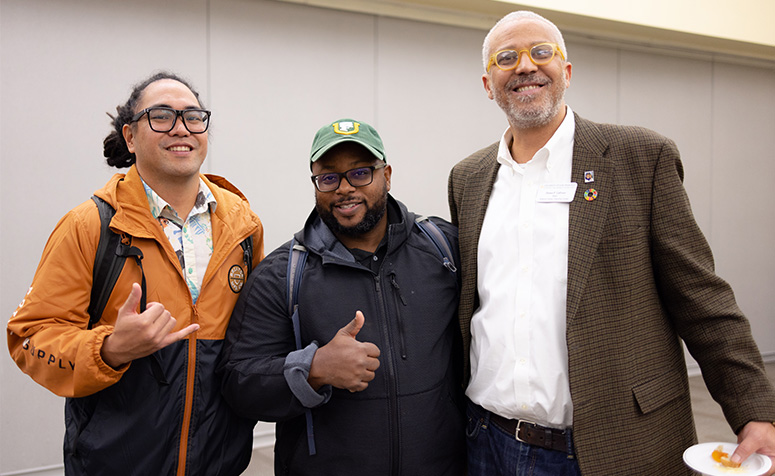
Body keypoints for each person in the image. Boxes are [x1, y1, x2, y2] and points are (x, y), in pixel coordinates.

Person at [448, 11, 775, 476]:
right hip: (487, 442)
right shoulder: (469, 178)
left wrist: (755, 410)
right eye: (507, 57)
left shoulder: (640, 158)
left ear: (567, 71)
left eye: (542, 52)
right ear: (488, 83)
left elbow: (701, 297)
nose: (525, 66)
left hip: (610, 444)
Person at [7, 71, 264, 475]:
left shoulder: (244, 227)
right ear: (130, 136)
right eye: (161, 116)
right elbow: (30, 338)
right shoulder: (90, 225)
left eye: (193, 117)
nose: (181, 128)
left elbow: (256, 335)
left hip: (219, 463)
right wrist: (108, 350)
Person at [219, 119, 466, 475]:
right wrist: (313, 369)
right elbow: (238, 383)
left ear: (387, 175)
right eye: (329, 177)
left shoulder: (443, 249)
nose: (345, 188)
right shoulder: (282, 274)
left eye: (361, 173)